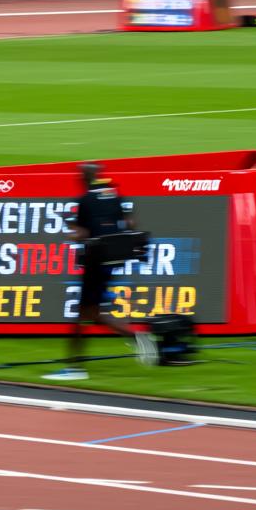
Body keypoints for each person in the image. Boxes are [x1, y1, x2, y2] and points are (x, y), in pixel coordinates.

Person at [43, 163, 154, 381]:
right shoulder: (114, 195)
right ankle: (134, 337)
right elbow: (131, 224)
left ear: (84, 178)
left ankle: (76, 368)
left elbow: (83, 232)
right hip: (112, 261)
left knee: (84, 314)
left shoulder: (85, 201)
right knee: (91, 314)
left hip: (95, 262)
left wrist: (72, 233)